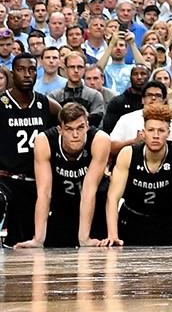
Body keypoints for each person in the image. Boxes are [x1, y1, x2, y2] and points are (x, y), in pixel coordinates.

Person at [0, 53, 62, 247]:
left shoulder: (47, 105)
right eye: (21, 70)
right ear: (12, 74)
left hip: (38, 180)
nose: (27, 74)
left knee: (22, 243)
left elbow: (71, 128)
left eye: (32, 70)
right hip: (5, 178)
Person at [105, 107, 172, 246]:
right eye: (151, 130)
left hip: (166, 224)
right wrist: (112, 235)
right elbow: (113, 197)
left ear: (168, 133)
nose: (156, 135)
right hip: (131, 222)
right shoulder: (128, 154)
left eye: (161, 131)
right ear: (143, 132)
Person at [18, 101, 112, 248]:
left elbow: (89, 190)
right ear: (60, 129)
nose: (75, 135)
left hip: (94, 205)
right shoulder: (44, 141)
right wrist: (38, 239)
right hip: (60, 202)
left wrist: (84, 239)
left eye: (80, 128)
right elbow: (44, 192)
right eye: (69, 129)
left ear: (87, 126)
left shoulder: (100, 140)